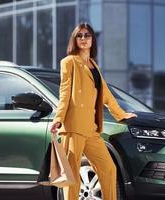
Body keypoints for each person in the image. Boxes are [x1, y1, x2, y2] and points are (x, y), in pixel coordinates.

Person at [50, 22, 137, 200]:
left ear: (92, 40)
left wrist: (120, 114)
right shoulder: (68, 62)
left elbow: (106, 94)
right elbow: (65, 91)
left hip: (91, 128)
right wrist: (58, 118)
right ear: (74, 40)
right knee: (71, 175)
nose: (83, 39)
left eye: (87, 35)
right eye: (79, 36)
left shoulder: (94, 65)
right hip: (73, 127)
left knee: (109, 168)